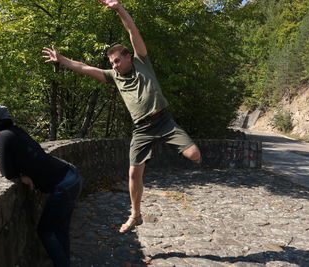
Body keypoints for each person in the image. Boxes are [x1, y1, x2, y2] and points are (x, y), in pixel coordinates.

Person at [42, 0, 201, 233]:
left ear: (127, 56)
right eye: (112, 63)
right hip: (142, 129)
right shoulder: (114, 76)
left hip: (164, 122)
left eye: (117, 60)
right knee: (133, 172)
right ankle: (136, 214)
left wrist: (119, 8)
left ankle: (164, 149)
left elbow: (132, 30)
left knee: (195, 155)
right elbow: (85, 68)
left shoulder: (142, 61)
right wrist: (63, 60)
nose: (114, 66)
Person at [0, 105, 82, 267]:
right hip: (72, 176)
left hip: (63, 185)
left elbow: (6, 171)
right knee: (60, 230)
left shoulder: (2, 136)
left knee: (46, 231)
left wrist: (20, 177)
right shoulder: (17, 131)